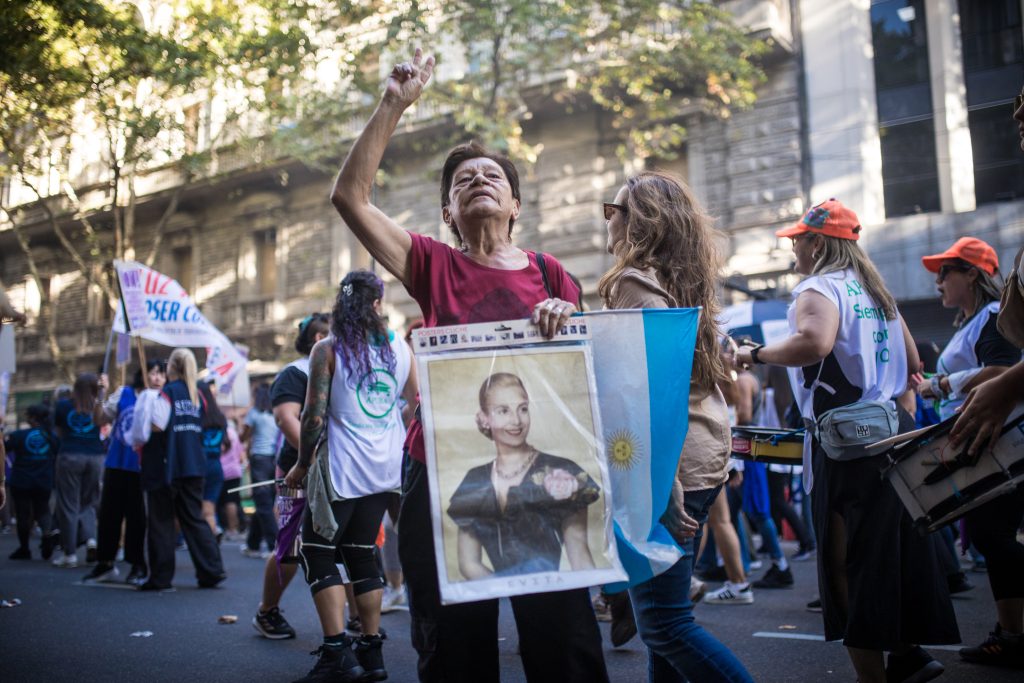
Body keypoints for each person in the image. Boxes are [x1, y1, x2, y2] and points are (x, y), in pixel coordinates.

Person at [330, 47, 607, 683]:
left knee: (563, 639)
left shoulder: (552, 275)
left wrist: (570, 317)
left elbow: (583, 376)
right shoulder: (432, 263)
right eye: (462, 181)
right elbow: (349, 197)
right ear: (448, 214)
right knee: (454, 645)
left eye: (492, 176)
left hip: (541, 480)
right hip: (443, 476)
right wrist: (393, 103)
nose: (478, 180)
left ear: (516, 205)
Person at [736, 199, 958, 683]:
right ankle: (908, 654)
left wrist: (754, 355)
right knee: (888, 551)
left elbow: (813, 343)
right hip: (891, 434)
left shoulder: (818, 287)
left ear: (817, 244)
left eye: (798, 241)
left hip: (845, 444)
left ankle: (872, 675)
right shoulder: (877, 293)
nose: (794, 249)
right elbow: (913, 364)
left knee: (846, 562)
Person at [599, 171, 753, 682]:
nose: (607, 219)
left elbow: (647, 390)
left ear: (639, 222)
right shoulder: (680, 280)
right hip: (702, 453)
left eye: (613, 210)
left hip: (672, 465)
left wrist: (662, 484)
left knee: (665, 626)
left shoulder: (634, 282)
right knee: (663, 641)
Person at [284, 271, 417, 683]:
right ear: (377, 304)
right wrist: (386, 429)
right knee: (360, 551)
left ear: (341, 304)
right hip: (385, 467)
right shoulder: (400, 348)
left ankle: (336, 653)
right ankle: (372, 653)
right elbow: (414, 404)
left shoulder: (327, 349)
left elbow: (313, 416)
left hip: (342, 467)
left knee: (316, 550)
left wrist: (302, 464)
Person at [915, 238, 1024, 668]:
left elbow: (1002, 371)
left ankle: (1013, 636)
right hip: (984, 444)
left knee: (994, 535)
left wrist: (941, 384)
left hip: (998, 444)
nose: (938, 281)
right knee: (991, 535)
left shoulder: (993, 315)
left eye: (946, 272)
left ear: (973, 274)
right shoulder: (976, 321)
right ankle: (1011, 634)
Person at [448, 373, 600, 579]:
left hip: (558, 593)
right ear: (485, 418)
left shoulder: (563, 471)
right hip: (499, 595)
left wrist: (596, 590)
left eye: (523, 409)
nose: (516, 420)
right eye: (503, 411)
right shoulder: (474, 479)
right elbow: (468, 564)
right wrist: (507, 590)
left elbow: (579, 555)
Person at [252, 312, 330, 641]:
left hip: (339, 471)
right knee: (291, 545)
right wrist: (312, 459)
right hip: (297, 472)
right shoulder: (294, 373)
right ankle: (267, 611)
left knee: (348, 548)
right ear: (319, 339)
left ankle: (357, 620)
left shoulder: (342, 367)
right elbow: (287, 419)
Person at [132, 348, 225, 591]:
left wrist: (142, 420)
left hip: (168, 465)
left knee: (161, 521)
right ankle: (212, 570)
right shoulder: (198, 394)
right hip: (195, 464)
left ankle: (160, 578)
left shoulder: (169, 392)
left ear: (171, 367)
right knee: (194, 518)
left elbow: (157, 425)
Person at [84, 361, 166, 585]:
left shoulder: (161, 400)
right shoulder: (124, 393)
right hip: (117, 462)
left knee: (138, 518)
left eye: (162, 374)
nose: (157, 378)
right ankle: (105, 562)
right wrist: (101, 395)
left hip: (142, 468)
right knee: (109, 515)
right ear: (143, 373)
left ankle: (137, 564)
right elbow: (99, 419)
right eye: (153, 373)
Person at [52, 372, 111, 568]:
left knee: (68, 505)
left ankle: (69, 554)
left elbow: (58, 432)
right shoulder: (97, 406)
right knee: (89, 502)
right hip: (95, 457)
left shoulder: (63, 406)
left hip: (69, 456)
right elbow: (103, 424)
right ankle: (91, 540)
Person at [5, 404, 58, 560]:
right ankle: (47, 535)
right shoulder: (51, 436)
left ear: (32, 418)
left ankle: (24, 548)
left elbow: (5, 448)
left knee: (23, 514)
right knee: (43, 509)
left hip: (22, 480)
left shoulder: (19, 435)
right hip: (43, 480)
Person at [242, 383, 281, 558]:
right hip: (275, 460)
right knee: (265, 501)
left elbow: (243, 436)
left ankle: (275, 545)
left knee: (263, 503)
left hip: (259, 460)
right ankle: (253, 543)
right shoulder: (275, 413)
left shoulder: (254, 413)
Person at [198, 381, 229, 538]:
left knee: (192, 510)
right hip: (216, 466)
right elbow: (226, 444)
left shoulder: (197, 415)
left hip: (199, 466)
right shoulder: (220, 417)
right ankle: (212, 538)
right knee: (209, 509)